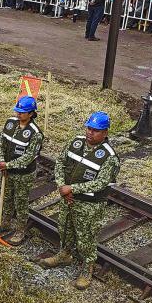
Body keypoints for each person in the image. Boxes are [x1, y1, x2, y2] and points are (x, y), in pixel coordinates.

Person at [40, 111, 120, 290]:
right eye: (89, 128)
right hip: (67, 198)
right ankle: (64, 255)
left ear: (105, 133)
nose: (90, 133)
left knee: (86, 237)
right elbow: (60, 162)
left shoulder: (110, 157)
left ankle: (87, 268)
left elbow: (100, 183)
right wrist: (62, 187)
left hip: (89, 205)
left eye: (96, 130)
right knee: (64, 228)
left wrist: (72, 189)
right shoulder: (75, 142)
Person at [0, 96, 44, 245]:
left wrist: (7, 165)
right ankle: (5, 222)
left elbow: (29, 157)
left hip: (24, 174)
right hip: (8, 170)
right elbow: (0, 142)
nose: (18, 114)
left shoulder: (35, 133)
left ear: (31, 114)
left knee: (20, 202)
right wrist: (1, 160)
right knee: (7, 198)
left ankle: (20, 230)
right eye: (17, 111)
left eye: (22, 112)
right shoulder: (10, 123)